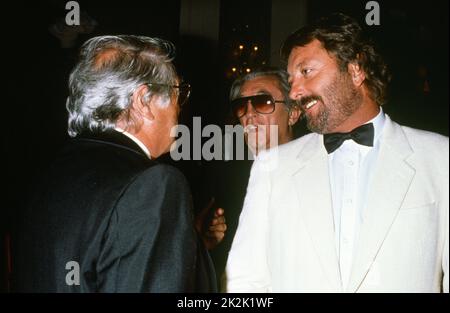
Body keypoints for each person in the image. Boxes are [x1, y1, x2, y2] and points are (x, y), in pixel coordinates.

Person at [225, 13, 449, 292]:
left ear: (355, 70)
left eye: (306, 72)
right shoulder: (271, 167)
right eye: (292, 79)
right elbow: (246, 281)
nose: (294, 92)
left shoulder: (440, 158)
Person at [12, 35, 216, 292]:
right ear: (144, 101)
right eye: (178, 92)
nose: (180, 108)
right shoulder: (155, 186)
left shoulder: (49, 171)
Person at [204, 68, 301, 288]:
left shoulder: (319, 171)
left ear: (293, 113)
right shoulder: (226, 181)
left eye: (262, 102)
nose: (249, 113)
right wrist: (205, 245)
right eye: (241, 106)